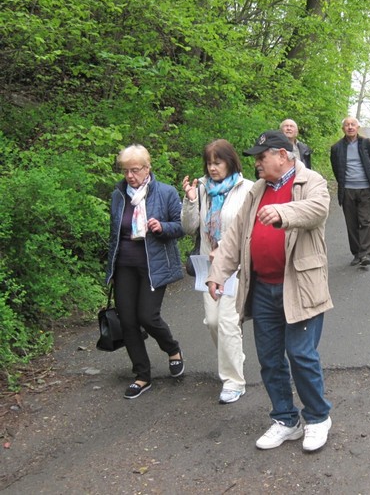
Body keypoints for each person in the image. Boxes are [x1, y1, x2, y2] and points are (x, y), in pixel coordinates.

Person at [206, 130, 333, 452]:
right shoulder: (257, 190)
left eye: (262, 157)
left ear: (283, 155)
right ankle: (286, 420)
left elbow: (317, 211)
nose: (257, 163)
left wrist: (283, 213)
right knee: (271, 359)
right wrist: (217, 273)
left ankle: (317, 418)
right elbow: (235, 235)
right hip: (263, 288)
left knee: (301, 354)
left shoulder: (311, 181)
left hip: (301, 286)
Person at [106, 144, 185, 399]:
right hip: (124, 265)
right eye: (126, 171)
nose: (130, 176)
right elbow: (115, 234)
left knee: (148, 317)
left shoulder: (165, 192)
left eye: (135, 170)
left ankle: (172, 348)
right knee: (128, 321)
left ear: (148, 168)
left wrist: (162, 227)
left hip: (154, 264)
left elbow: (182, 226)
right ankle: (142, 375)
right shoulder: (118, 195)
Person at [181, 140, 254, 404]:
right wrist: (190, 202)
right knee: (212, 322)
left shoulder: (247, 189)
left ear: (230, 162)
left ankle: (234, 380)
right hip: (207, 266)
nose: (213, 168)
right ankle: (233, 356)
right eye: (209, 163)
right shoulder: (201, 189)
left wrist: (224, 247)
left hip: (234, 265)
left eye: (218, 162)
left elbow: (249, 229)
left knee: (227, 321)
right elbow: (189, 228)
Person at [330, 117, 370, 267]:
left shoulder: (367, 143)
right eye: (347, 125)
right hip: (347, 190)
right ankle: (357, 253)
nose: (350, 127)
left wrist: (366, 180)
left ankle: (365, 254)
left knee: (366, 221)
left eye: (353, 124)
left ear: (358, 127)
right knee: (351, 223)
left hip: (365, 189)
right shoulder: (336, 147)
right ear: (343, 129)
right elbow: (336, 169)